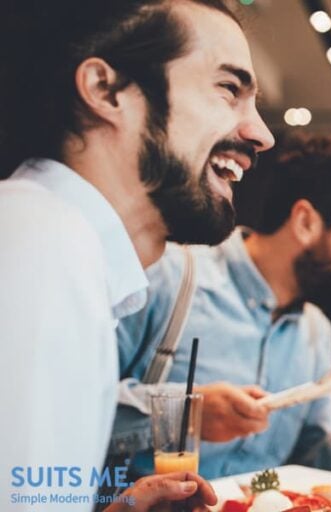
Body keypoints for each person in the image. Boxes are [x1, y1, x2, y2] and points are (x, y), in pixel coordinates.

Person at [0, 1, 274, 510]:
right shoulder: (41, 243)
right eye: (228, 89)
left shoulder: (63, 245)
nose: (261, 133)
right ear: (106, 91)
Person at [113, 132, 331, 478]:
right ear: (306, 222)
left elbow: (314, 471)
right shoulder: (166, 278)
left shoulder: (316, 333)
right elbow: (69, 405)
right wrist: (185, 414)